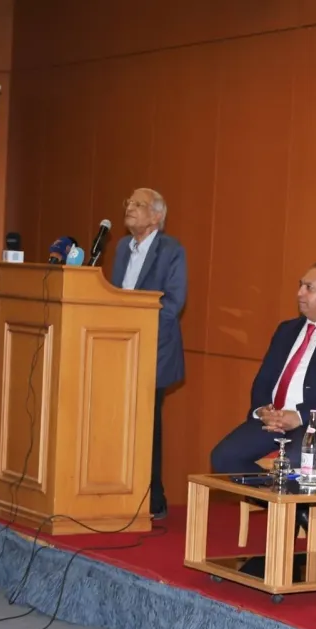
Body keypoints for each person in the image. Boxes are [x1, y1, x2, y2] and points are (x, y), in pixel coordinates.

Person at [211, 263, 316, 475]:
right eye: (300, 286)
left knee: (293, 461)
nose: (299, 293)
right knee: (223, 457)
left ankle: (285, 493)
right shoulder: (286, 330)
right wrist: (262, 411)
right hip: (275, 421)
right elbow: (263, 380)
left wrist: (300, 416)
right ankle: (273, 492)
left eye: (309, 288)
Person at [112, 188, 187, 520]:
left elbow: (173, 303)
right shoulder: (120, 247)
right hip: (119, 347)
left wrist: (135, 322)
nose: (130, 207)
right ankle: (116, 489)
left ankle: (153, 498)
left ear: (157, 216)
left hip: (154, 348)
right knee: (118, 421)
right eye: (128, 202)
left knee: (146, 423)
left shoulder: (171, 250)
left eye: (138, 204)